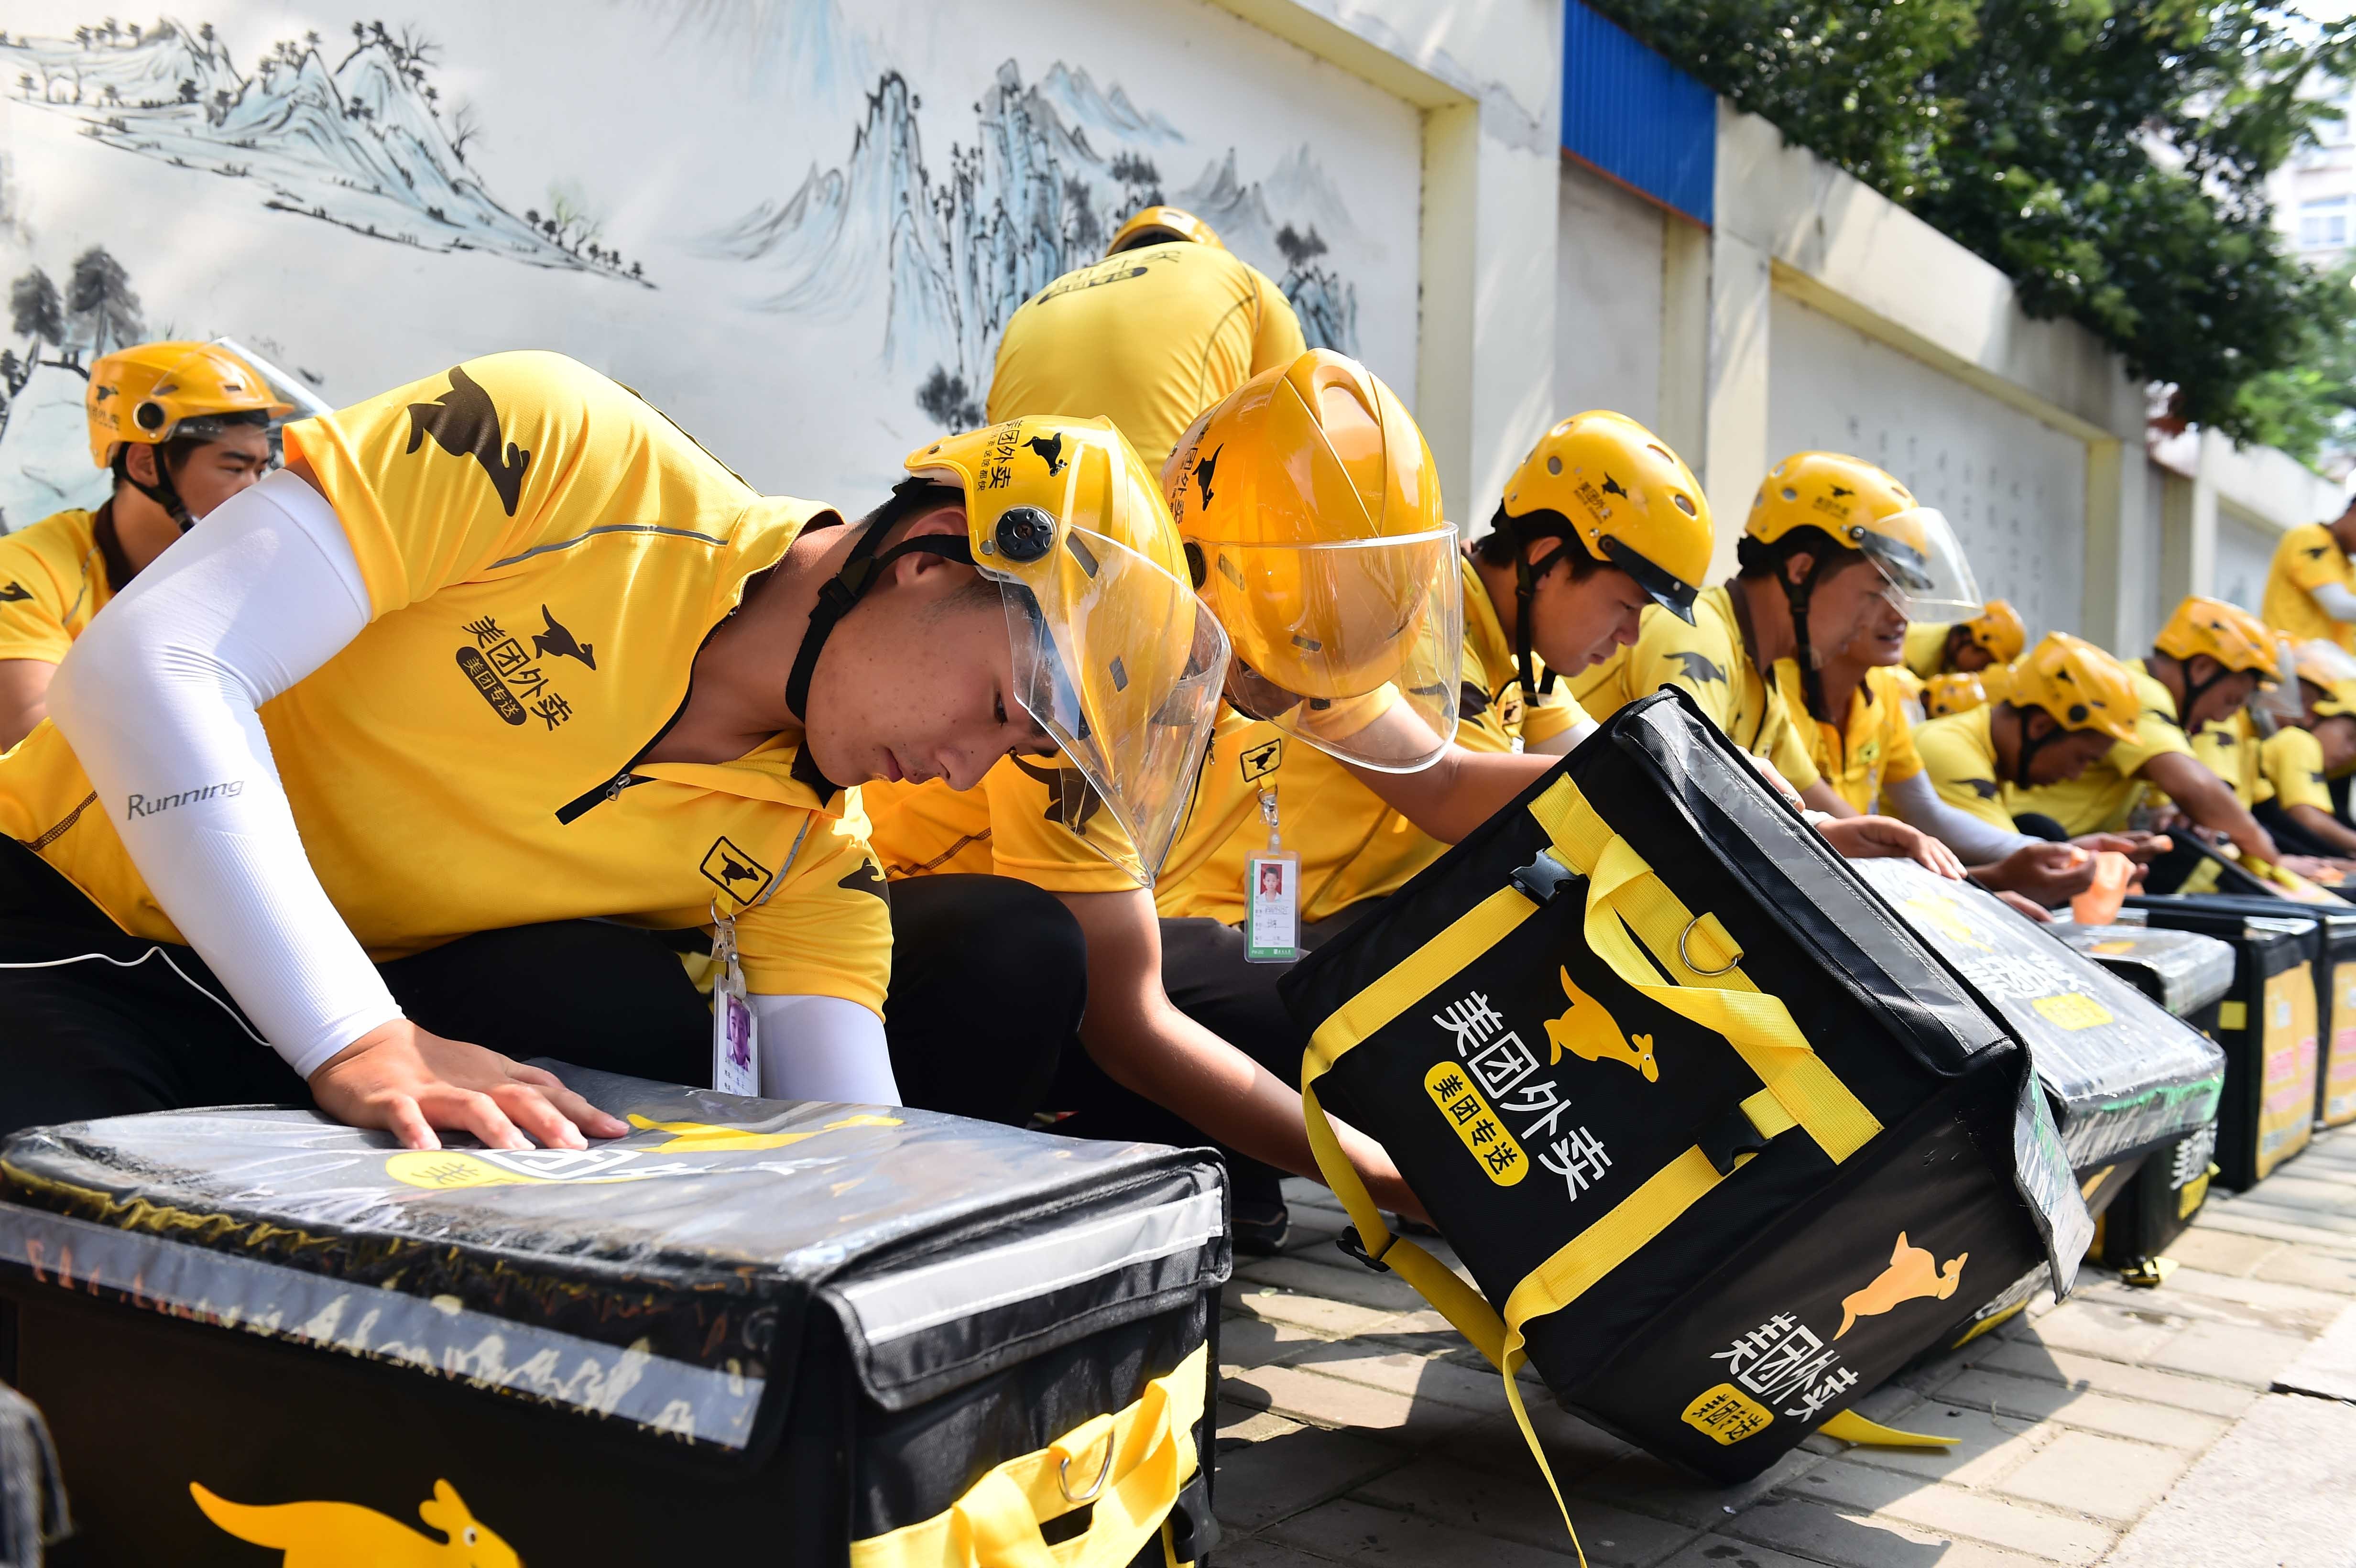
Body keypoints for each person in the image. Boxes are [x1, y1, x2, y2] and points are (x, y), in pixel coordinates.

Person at [0, 351, 1222, 1151]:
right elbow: (144, 666)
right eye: (1005, 708)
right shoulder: (564, 447)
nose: (970, 770)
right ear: (934, 555)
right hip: (71, 917)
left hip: (330, 1016)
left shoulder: (813, 855)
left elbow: (855, 1156)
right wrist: (359, 1038)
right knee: (68, 1273)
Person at [0, 342, 290, 749]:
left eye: (261, 470)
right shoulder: (24, 570)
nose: (253, 492)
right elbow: (32, 741)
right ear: (145, 466)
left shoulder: (255, 581)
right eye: (235, 468)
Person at [1776, 606, 2124, 904]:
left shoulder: (1884, 688)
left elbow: (1912, 816)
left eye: (1905, 593)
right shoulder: (1779, 684)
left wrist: (2066, 855)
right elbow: (1852, 835)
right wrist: (1992, 881)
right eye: (1877, 588)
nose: (1902, 614)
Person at [983, 205, 1308, 470]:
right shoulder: (1241, 277)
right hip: (1165, 526)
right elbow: (1299, 418)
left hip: (1023, 530)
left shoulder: (1031, 307)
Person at [2003, 597, 2280, 865]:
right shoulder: (2140, 693)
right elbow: (2196, 787)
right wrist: (2272, 857)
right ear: (2201, 668)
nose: (2222, 717)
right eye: (2230, 701)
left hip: (2052, 847)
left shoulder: (2142, 692)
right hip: (2023, 843)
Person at [2262, 484, 2356, 654]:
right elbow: (2339, 606)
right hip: (2289, 669)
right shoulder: (2309, 537)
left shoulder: (2349, 569)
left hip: (2330, 676)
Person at [1901, 599, 2027, 684]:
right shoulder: (1913, 649)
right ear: (1972, 641)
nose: (1981, 671)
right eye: (1986, 663)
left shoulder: (1946, 663)